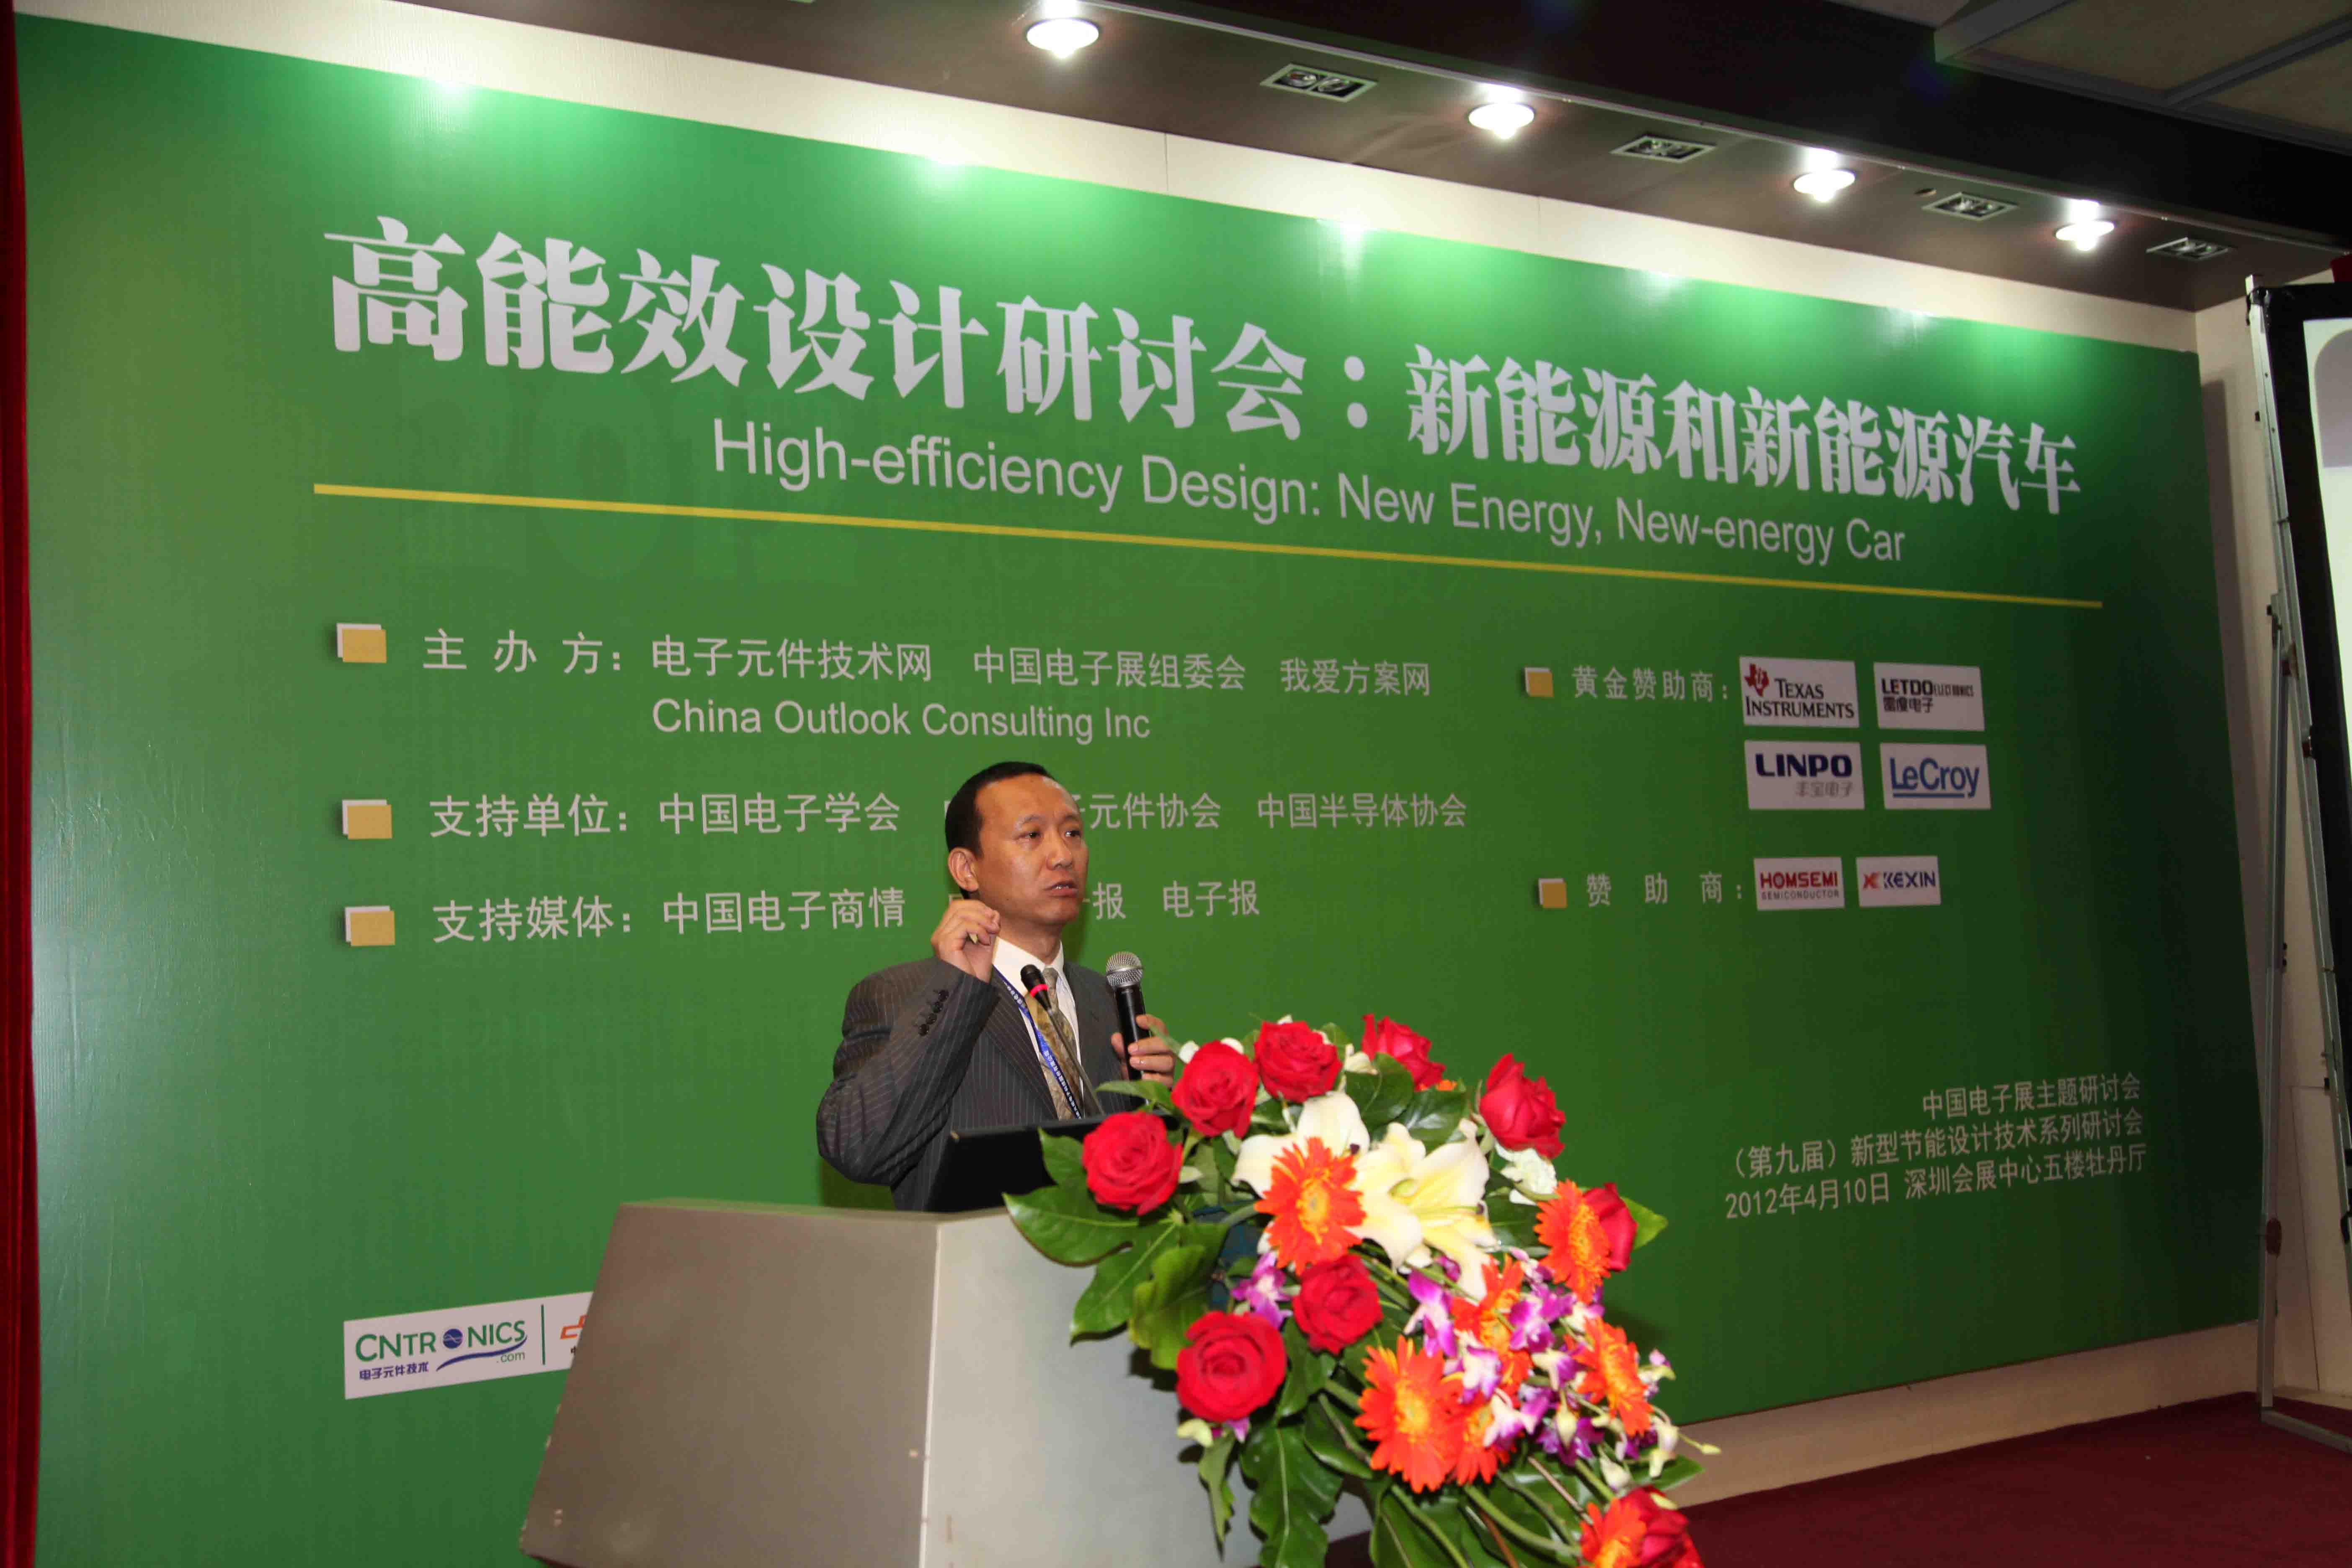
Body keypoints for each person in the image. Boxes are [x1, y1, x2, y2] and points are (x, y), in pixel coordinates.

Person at [816, 760, 1177, 1210]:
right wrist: (956, 993)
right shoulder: (903, 995)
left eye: (1072, 833)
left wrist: (1150, 1102)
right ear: (967, 869)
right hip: (972, 1254)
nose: (1062, 855)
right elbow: (858, 1150)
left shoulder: (1104, 999)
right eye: (1032, 835)